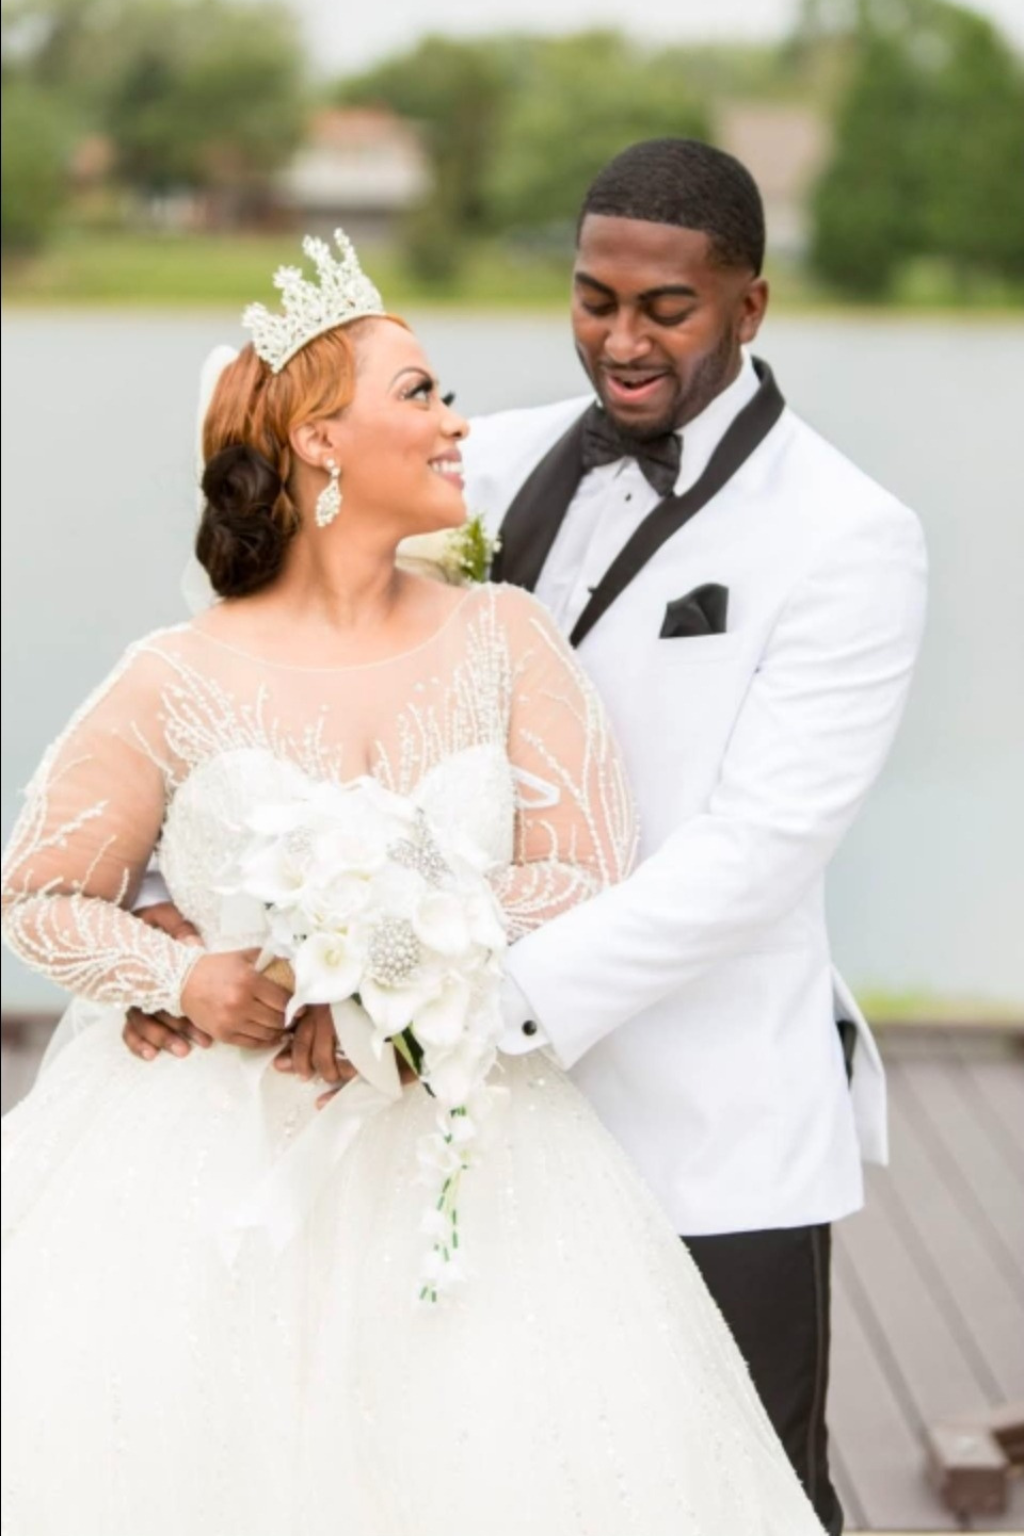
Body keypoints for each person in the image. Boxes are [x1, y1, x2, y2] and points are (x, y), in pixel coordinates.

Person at [127, 141, 928, 1535]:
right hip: (463, 1139)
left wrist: (447, 1011)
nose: (622, 339)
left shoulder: (853, 535)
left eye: (666, 309)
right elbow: (283, 659)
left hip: (704, 1123)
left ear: (750, 305)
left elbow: (755, 852)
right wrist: (185, 899)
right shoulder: (478, 460)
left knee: (739, 1493)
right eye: (594, 298)